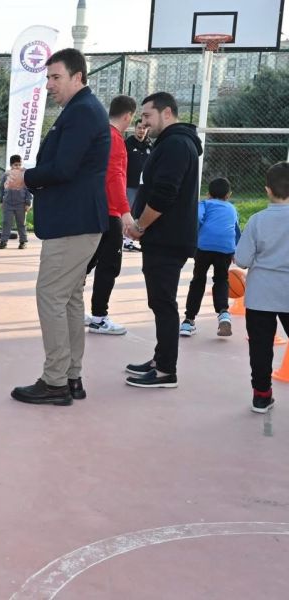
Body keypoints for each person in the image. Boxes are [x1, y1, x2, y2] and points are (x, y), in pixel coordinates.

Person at [9, 48, 110, 406]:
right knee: (68, 298)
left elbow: (64, 168)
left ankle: (55, 382)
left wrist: (25, 178)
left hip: (73, 224)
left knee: (51, 295)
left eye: (56, 77)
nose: (49, 84)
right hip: (78, 221)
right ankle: (70, 377)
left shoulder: (82, 111)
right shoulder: (83, 109)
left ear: (77, 77)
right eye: (47, 78)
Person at [124, 92, 203, 389]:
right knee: (160, 301)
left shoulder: (176, 144)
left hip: (167, 238)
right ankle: (161, 360)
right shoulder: (172, 143)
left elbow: (165, 193)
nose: (143, 121)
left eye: (147, 115)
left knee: (164, 302)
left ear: (166, 112)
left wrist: (140, 226)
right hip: (164, 237)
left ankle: (166, 371)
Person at [235, 162, 289, 413]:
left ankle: (261, 395)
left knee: (260, 347)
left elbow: (242, 259)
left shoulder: (257, 221)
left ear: (267, 190)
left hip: (260, 295)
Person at [84, 95, 137, 336]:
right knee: (109, 265)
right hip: (109, 211)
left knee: (87, 262)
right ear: (128, 116)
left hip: (94, 209)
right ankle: (99, 317)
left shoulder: (99, 135)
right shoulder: (114, 139)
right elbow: (114, 176)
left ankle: (73, 308)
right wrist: (125, 212)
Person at [180, 177, 241, 338]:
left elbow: (197, 219)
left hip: (204, 247)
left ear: (208, 194)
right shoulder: (232, 208)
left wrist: (192, 238)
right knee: (221, 279)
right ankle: (223, 313)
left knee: (198, 279)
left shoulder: (204, 204)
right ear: (228, 195)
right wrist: (236, 250)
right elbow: (236, 230)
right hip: (226, 248)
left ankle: (189, 321)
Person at [123, 118, 152, 252]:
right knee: (127, 212)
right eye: (139, 128)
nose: (141, 130)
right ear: (135, 129)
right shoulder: (127, 144)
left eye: (144, 128)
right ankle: (124, 239)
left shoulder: (150, 145)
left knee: (139, 213)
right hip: (130, 184)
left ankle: (131, 240)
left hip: (145, 186)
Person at [0, 154, 32, 249]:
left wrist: (28, 202)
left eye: (19, 165)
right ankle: (3, 241)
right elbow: (1, 188)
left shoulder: (24, 175)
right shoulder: (6, 175)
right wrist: (1, 201)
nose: (18, 167)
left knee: (21, 223)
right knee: (6, 222)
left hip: (21, 203)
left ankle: (23, 241)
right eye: (15, 165)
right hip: (8, 203)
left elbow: (29, 189)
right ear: (11, 165)